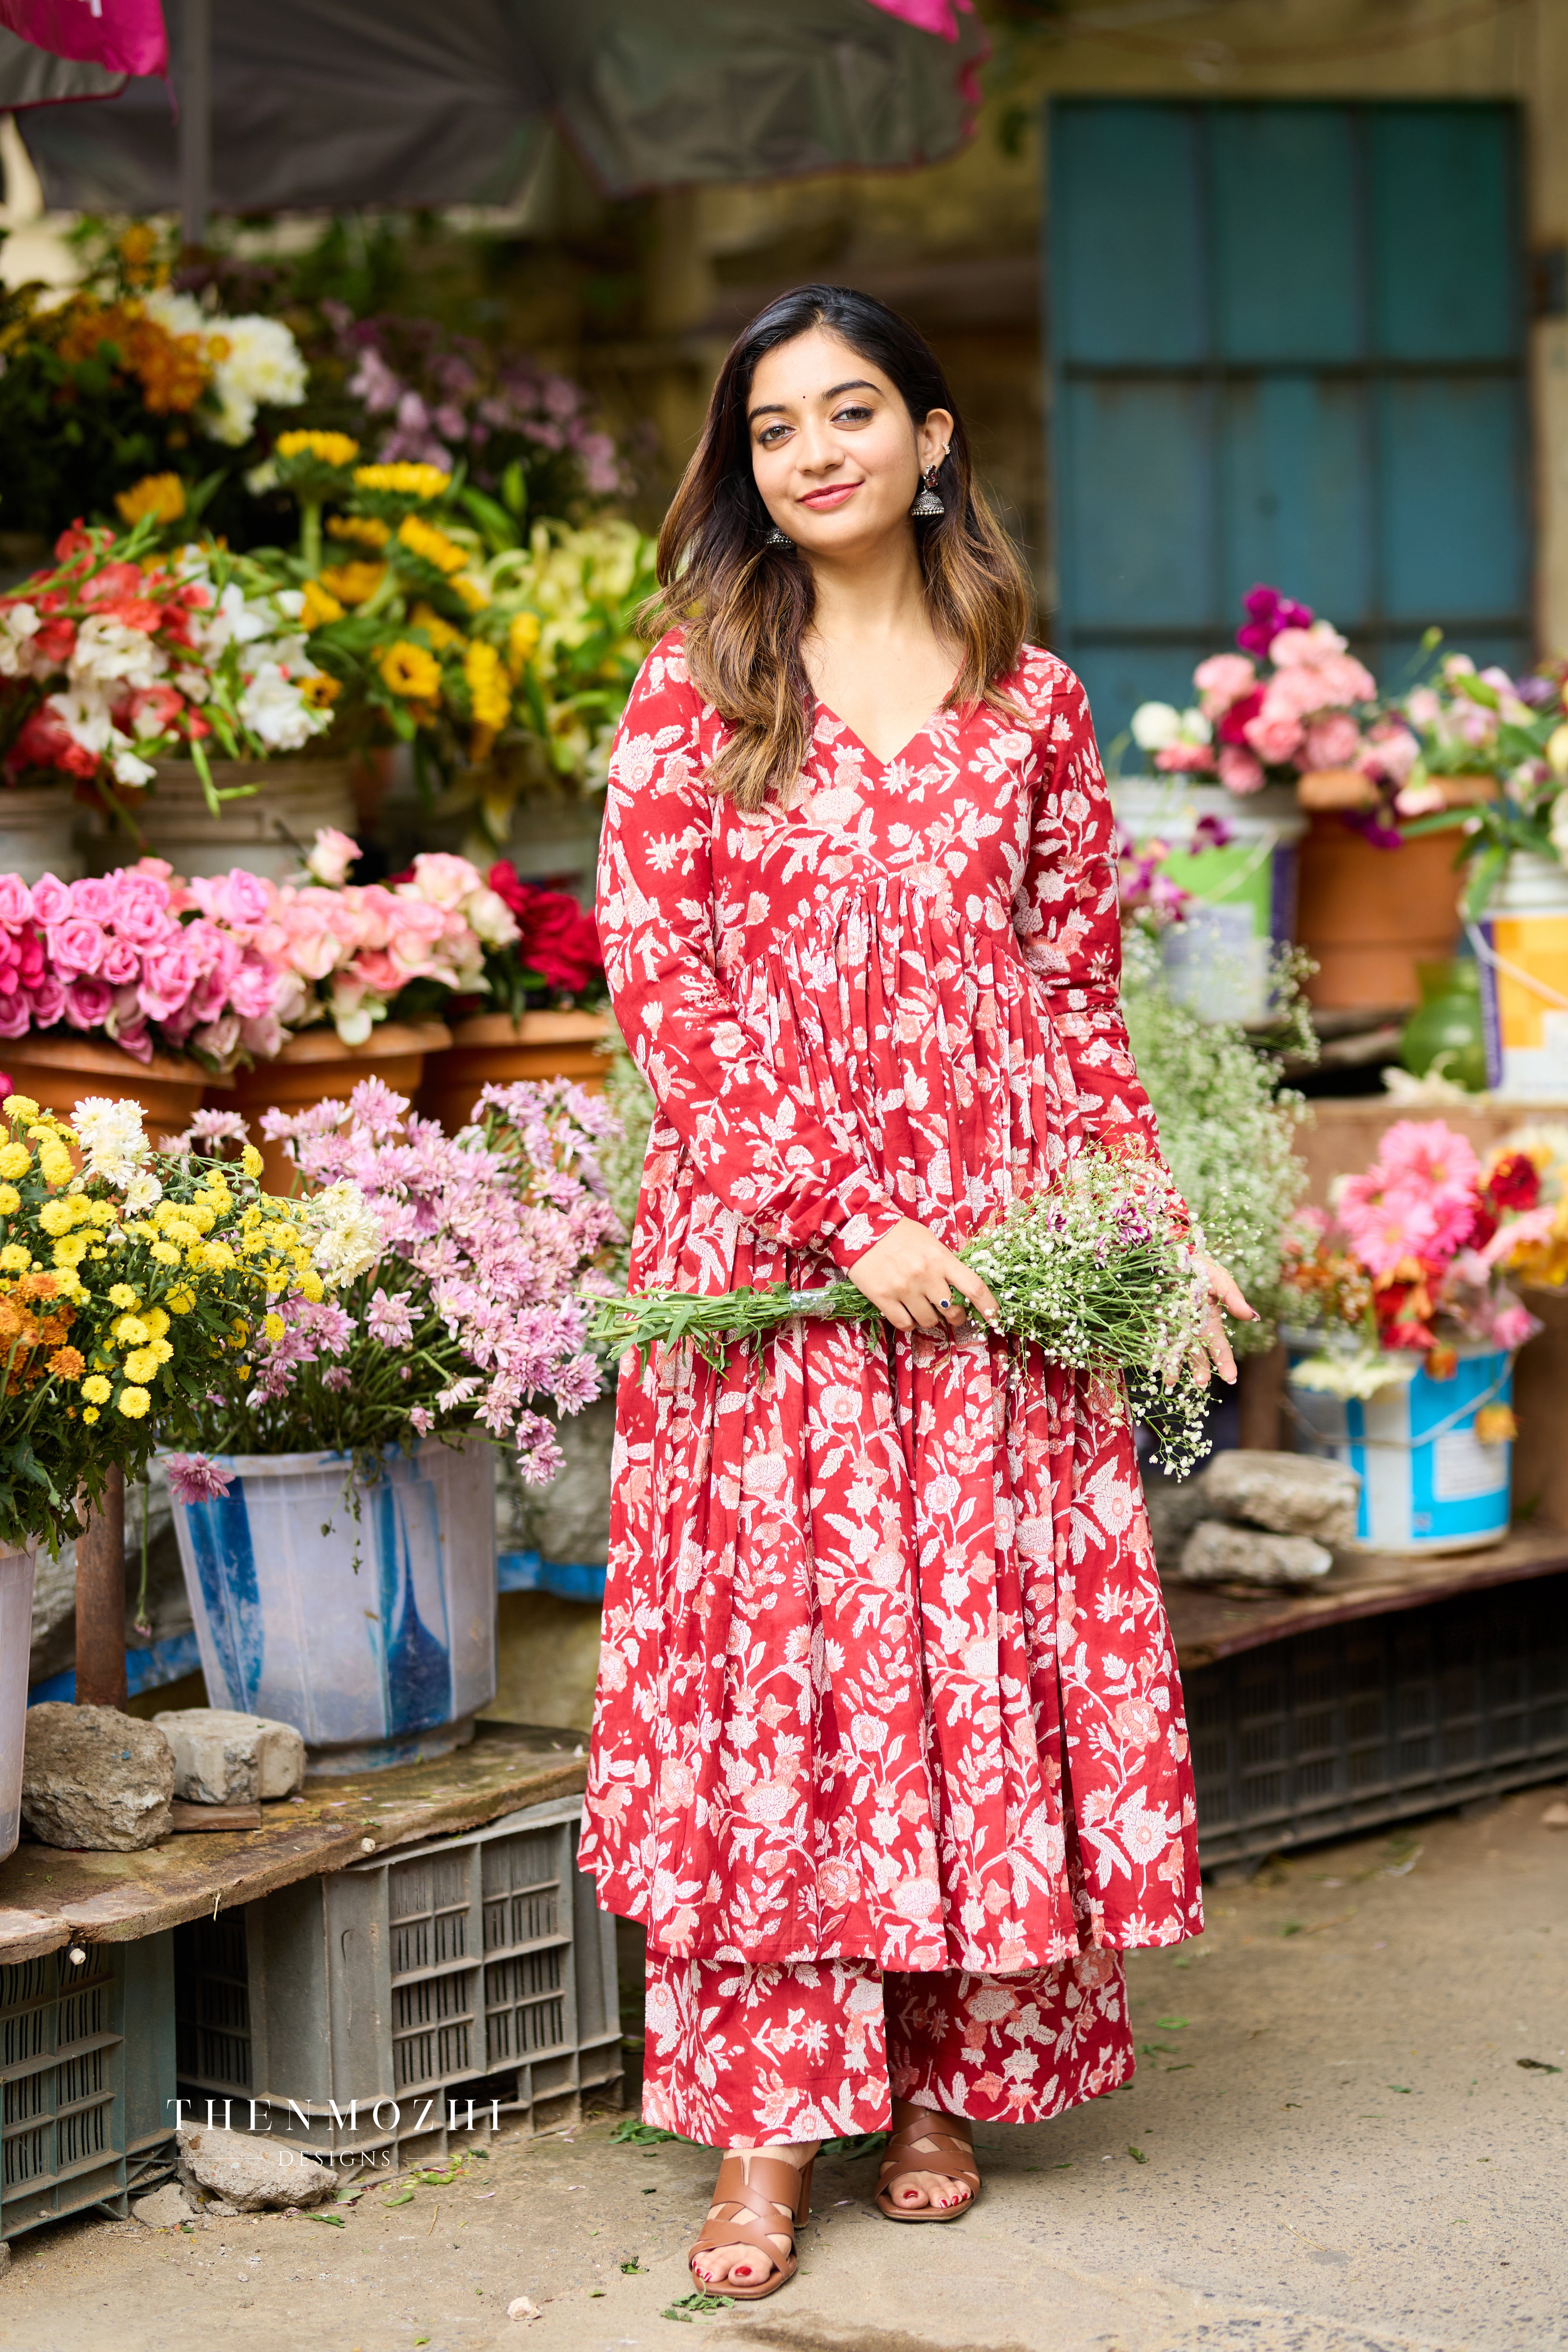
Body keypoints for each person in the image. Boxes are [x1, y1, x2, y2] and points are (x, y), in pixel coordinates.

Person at [578, 283, 1254, 2302]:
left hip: (994, 1267)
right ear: (747, 469)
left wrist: (1154, 1223)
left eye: (852, 411)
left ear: (935, 436)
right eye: (775, 428)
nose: (816, 453)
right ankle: (765, 2136)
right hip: (777, 1276)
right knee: (781, 1686)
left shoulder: (1029, 700)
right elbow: (666, 1001)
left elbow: (1070, 998)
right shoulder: (694, 686)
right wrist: (833, 1214)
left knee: (965, 1671)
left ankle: (939, 2076)